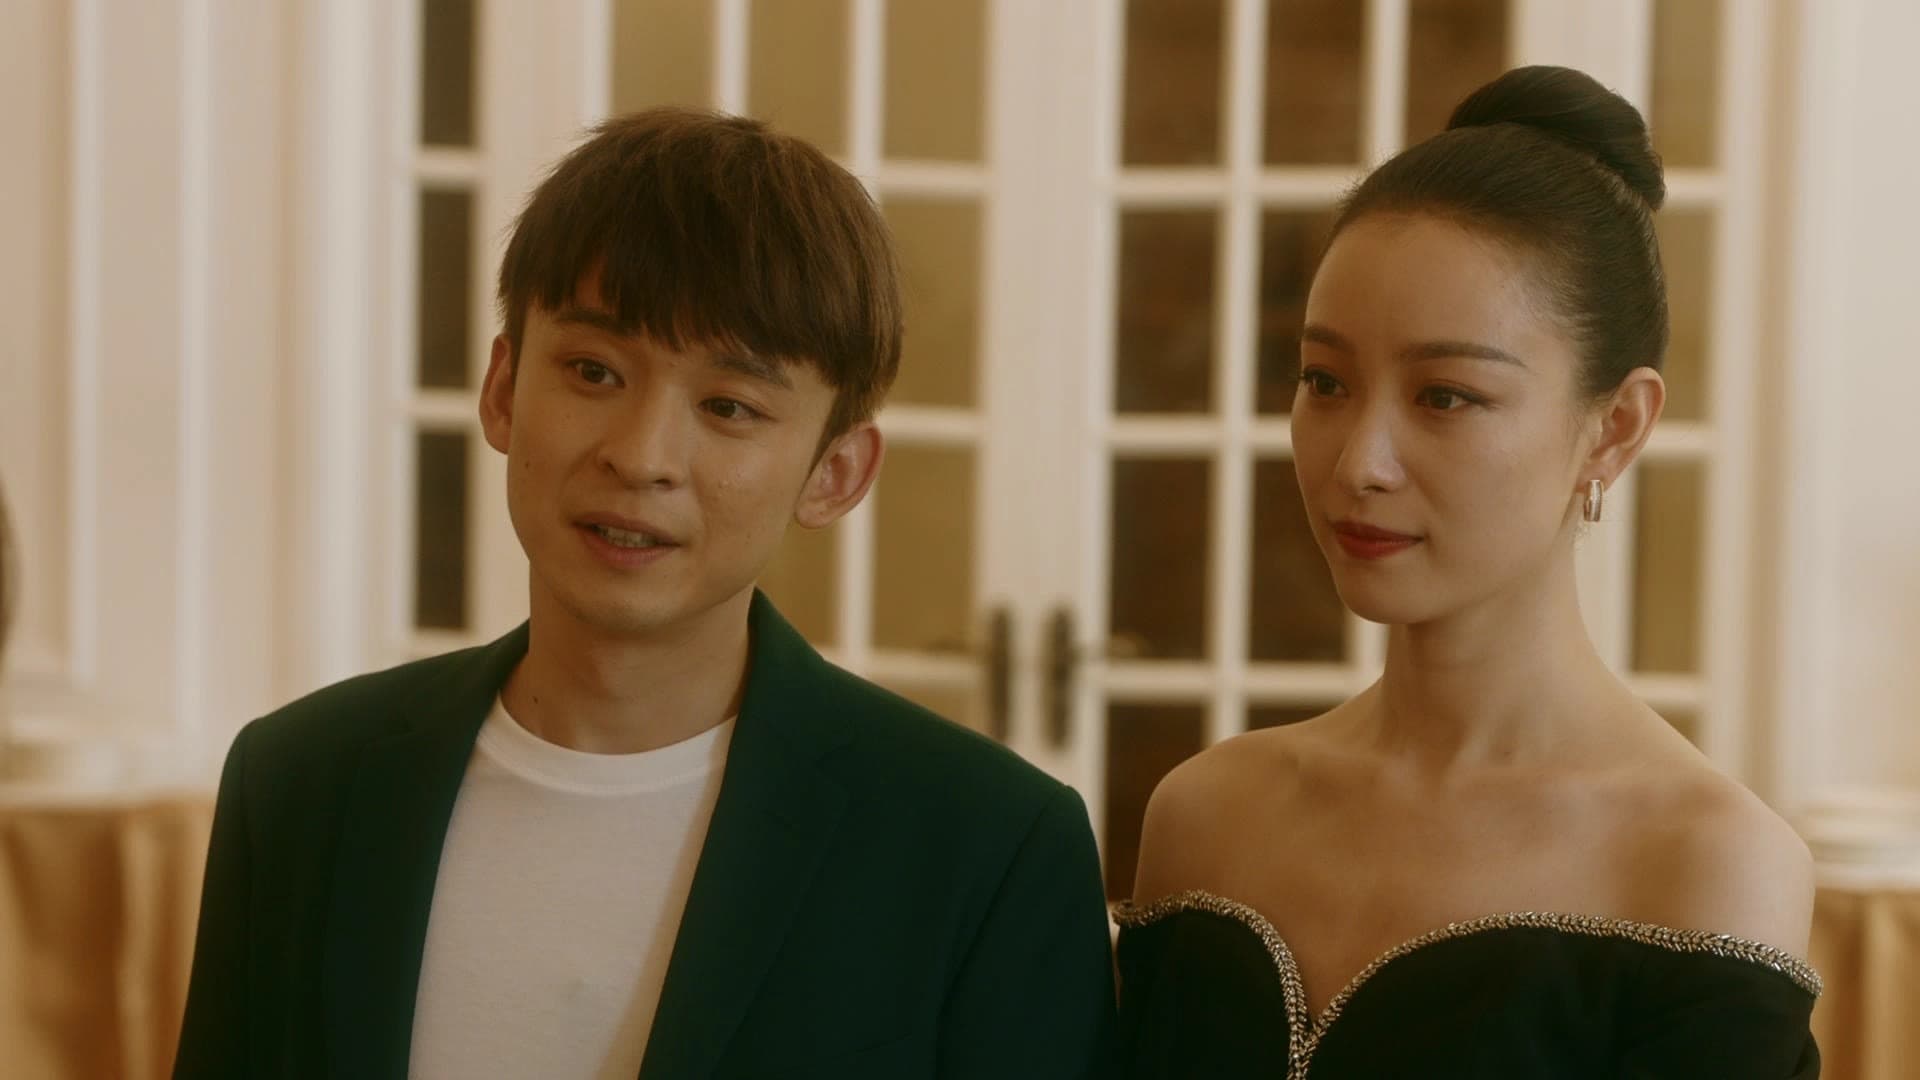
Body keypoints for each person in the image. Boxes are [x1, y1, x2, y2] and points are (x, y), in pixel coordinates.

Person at [175, 108, 1117, 1079]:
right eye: (593, 371)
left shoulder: (985, 850)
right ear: (502, 388)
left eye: (729, 406)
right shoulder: (299, 784)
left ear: (835, 472)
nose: (640, 456)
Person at [1114, 67, 1820, 1078]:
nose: (1359, 463)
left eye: (1445, 396)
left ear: (1614, 428)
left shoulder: (1703, 859)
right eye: (1325, 381)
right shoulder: (1205, 816)